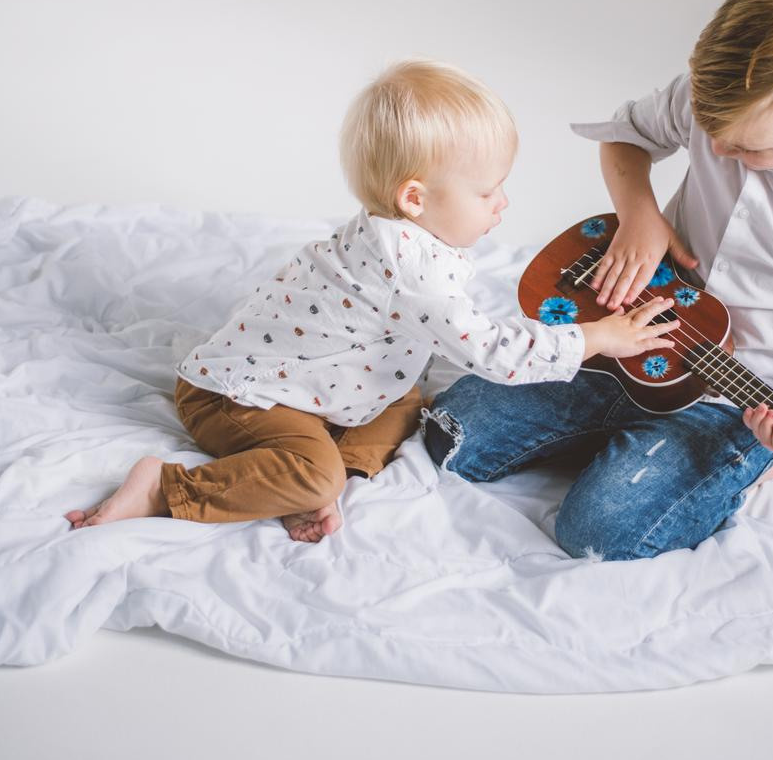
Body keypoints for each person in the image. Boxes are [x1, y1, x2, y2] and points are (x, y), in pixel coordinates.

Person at [423, 0, 773, 560]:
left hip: (734, 396)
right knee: (449, 433)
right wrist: (640, 216)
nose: (720, 152)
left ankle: (737, 465)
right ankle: (624, 446)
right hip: (631, 335)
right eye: (710, 133)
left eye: (750, 149)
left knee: (599, 534)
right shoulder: (713, 98)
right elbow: (626, 138)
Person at [66, 62, 677, 542]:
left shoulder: (398, 232)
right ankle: (166, 489)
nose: (503, 205)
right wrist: (598, 338)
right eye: (488, 191)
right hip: (236, 397)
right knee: (315, 467)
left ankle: (321, 482)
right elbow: (493, 352)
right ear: (415, 198)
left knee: (406, 398)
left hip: (321, 382)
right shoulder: (409, 263)